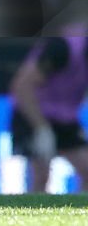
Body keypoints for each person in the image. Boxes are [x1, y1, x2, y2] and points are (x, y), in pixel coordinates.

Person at [9, 26, 88, 192]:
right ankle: (31, 215)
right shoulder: (61, 49)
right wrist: (41, 128)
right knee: (41, 175)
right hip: (32, 113)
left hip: (65, 118)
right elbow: (22, 85)